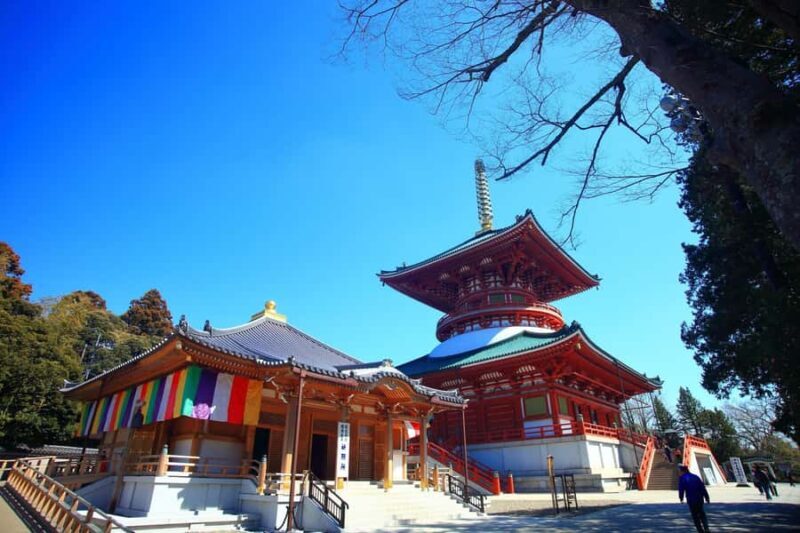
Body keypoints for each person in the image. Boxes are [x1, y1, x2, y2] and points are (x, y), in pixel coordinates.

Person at [679, 464, 711, 533]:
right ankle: (706, 528)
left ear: (682, 471)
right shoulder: (696, 476)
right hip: (699, 498)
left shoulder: (682, 478)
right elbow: (702, 487)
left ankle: (700, 530)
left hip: (691, 499)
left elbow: (681, 489)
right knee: (702, 514)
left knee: (695, 516)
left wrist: (681, 498)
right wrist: (707, 497)